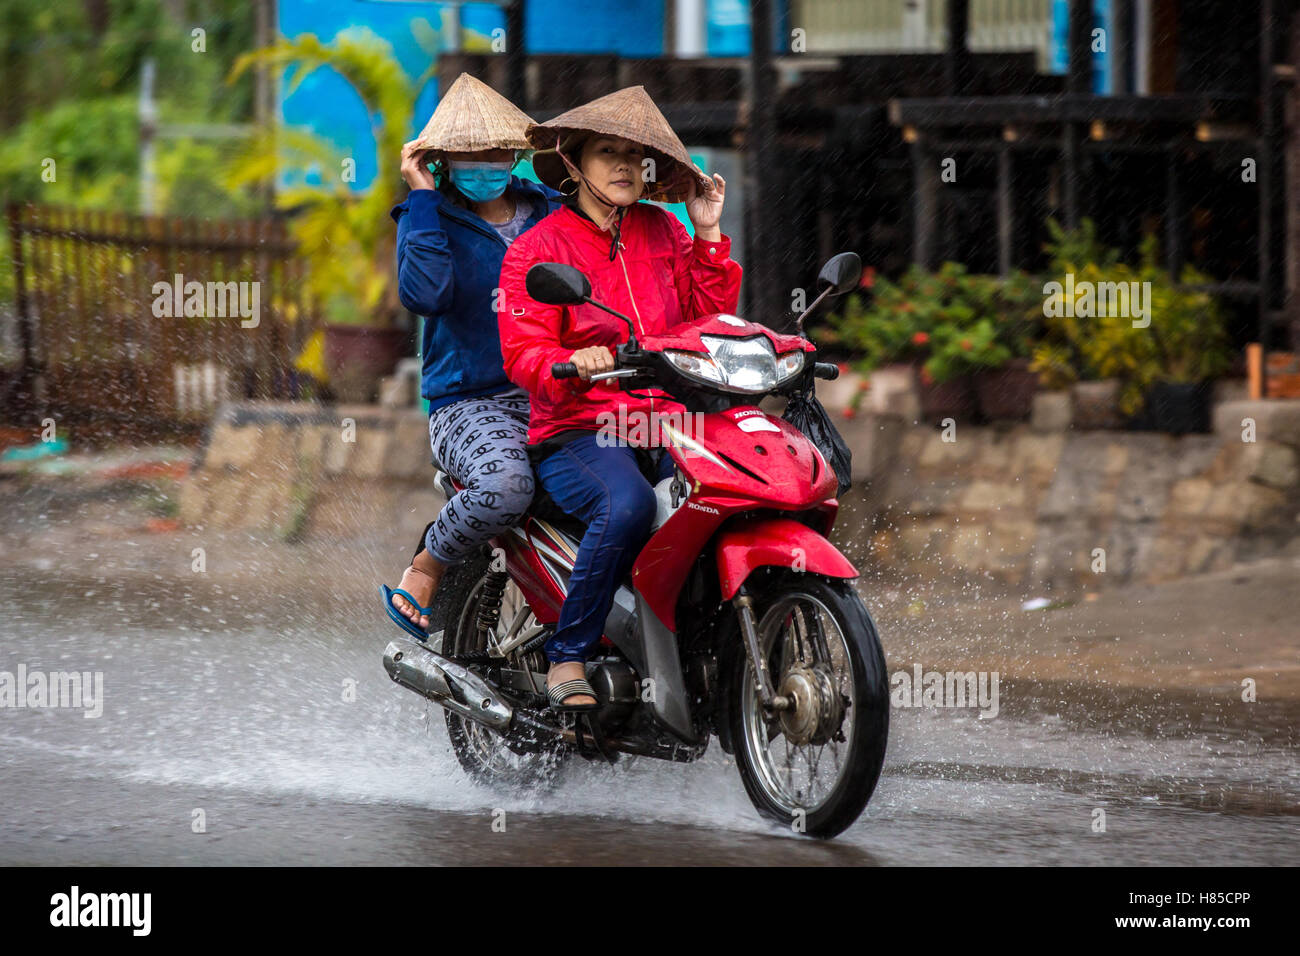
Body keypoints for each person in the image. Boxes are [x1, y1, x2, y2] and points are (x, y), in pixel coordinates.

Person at [498, 86, 742, 709]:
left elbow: (706, 320)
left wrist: (709, 232)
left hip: (664, 421)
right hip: (577, 429)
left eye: (636, 154)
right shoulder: (539, 248)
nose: (626, 165)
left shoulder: (663, 228)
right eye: (609, 151)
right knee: (629, 504)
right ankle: (568, 656)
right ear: (574, 162)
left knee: (727, 496)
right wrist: (568, 362)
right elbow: (523, 352)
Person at [381, 73, 560, 639]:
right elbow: (425, 295)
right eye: (468, 153)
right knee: (507, 488)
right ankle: (428, 563)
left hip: (557, 389)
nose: (485, 162)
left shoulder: (552, 211)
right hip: (470, 402)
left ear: (514, 154)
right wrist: (422, 196)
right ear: (443, 159)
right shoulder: (425, 216)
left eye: (495, 152)